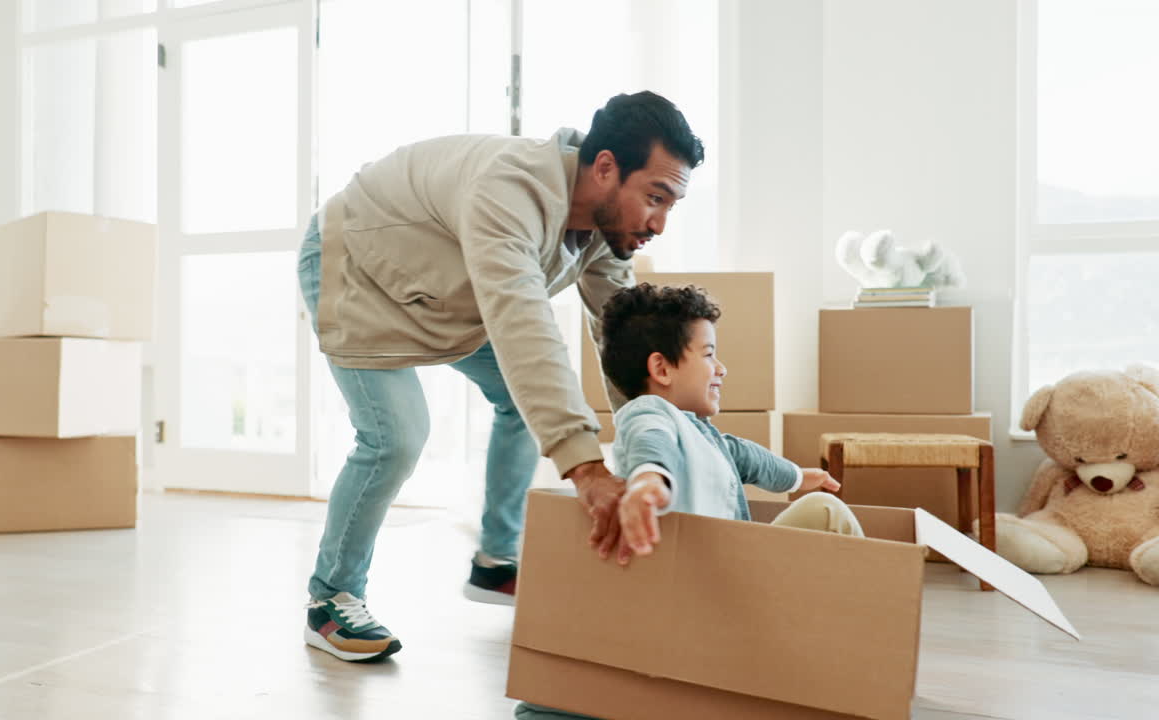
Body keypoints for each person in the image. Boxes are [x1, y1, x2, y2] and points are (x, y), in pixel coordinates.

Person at [296, 92, 705, 663]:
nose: (658, 223)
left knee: (521, 396)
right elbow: (522, 321)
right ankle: (330, 599)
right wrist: (585, 467)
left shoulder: (604, 233)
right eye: (655, 198)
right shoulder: (509, 189)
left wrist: (664, 443)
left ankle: (494, 561)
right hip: (355, 266)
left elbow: (626, 339)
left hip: (443, 292)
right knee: (396, 437)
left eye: (670, 205)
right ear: (606, 167)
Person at [513, 282, 863, 719]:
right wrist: (647, 481)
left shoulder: (702, 433)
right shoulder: (650, 415)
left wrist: (797, 476)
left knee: (818, 507)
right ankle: (853, 660)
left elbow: (746, 457)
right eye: (709, 353)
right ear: (662, 368)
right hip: (706, 603)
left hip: (726, 590)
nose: (722, 368)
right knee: (827, 514)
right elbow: (649, 445)